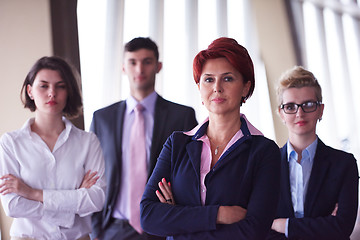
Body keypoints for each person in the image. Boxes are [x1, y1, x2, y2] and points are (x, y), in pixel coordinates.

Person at [140, 37, 281, 239]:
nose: (217, 87)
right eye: (208, 79)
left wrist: (177, 219)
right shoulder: (177, 144)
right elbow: (148, 216)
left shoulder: (265, 151)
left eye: (228, 78)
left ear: (245, 87)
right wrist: (218, 214)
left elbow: (253, 230)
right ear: (199, 88)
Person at [90, 37, 198, 240]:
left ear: (158, 66)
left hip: (164, 226)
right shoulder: (102, 118)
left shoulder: (182, 116)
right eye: (132, 62)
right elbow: (92, 174)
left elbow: (192, 172)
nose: (139, 69)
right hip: (113, 229)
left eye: (147, 61)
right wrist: (96, 230)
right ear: (124, 67)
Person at [0, 56, 106, 239]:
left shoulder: (88, 142)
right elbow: (13, 206)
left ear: (69, 91)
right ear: (30, 91)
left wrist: (32, 193)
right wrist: (73, 202)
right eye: (44, 86)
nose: (52, 93)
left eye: (60, 86)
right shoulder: (11, 143)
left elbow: (96, 200)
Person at [267, 66, 359, 240]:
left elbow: (342, 227)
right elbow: (259, 228)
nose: (299, 113)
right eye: (290, 106)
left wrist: (282, 224)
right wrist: (323, 226)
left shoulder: (344, 164)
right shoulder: (265, 165)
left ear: (320, 110)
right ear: (281, 113)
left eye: (308, 104)